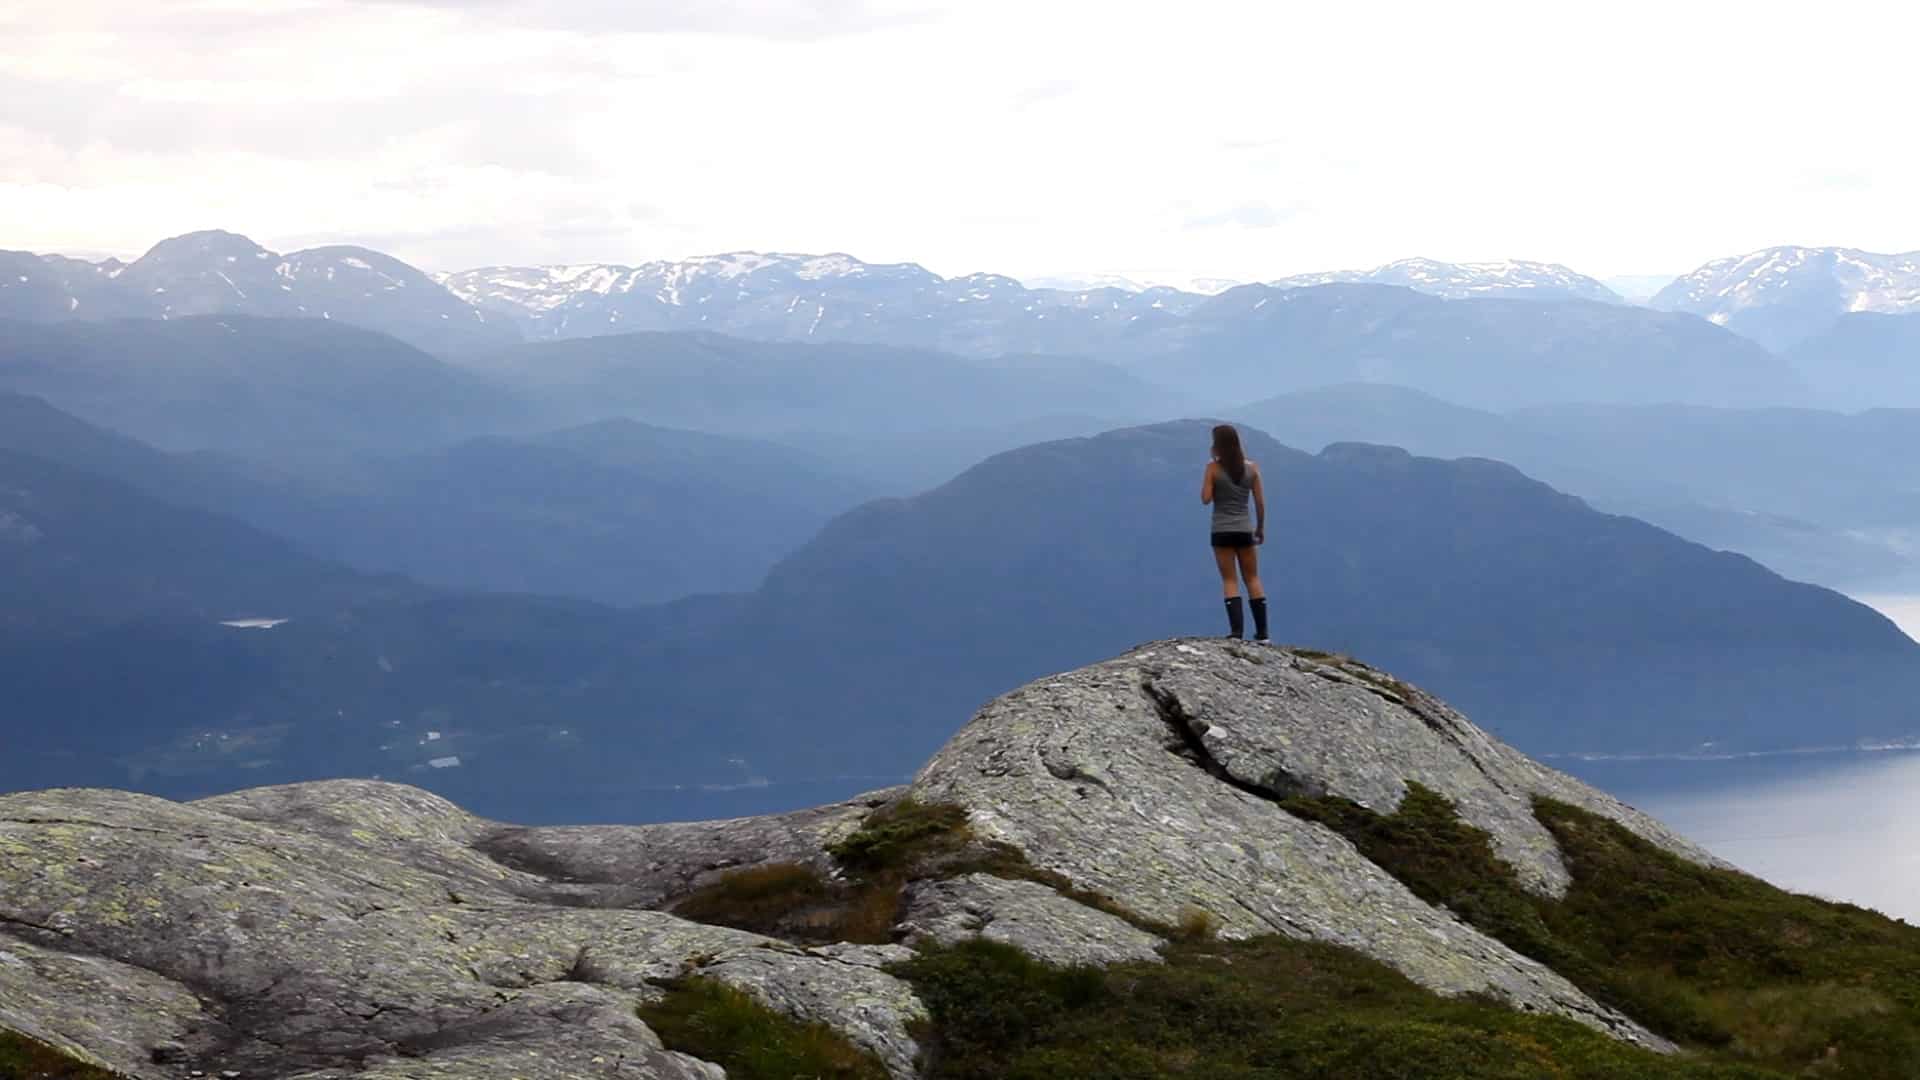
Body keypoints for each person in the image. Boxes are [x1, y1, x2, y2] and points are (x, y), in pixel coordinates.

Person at [1200, 424, 1268, 641]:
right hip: (1245, 529)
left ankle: (1236, 633)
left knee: (1230, 580)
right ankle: (1263, 633)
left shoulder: (1213, 468)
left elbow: (1205, 499)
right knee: (1253, 578)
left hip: (1221, 530)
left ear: (1217, 445)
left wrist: (1211, 481)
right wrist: (1260, 528)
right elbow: (1259, 503)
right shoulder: (1252, 468)